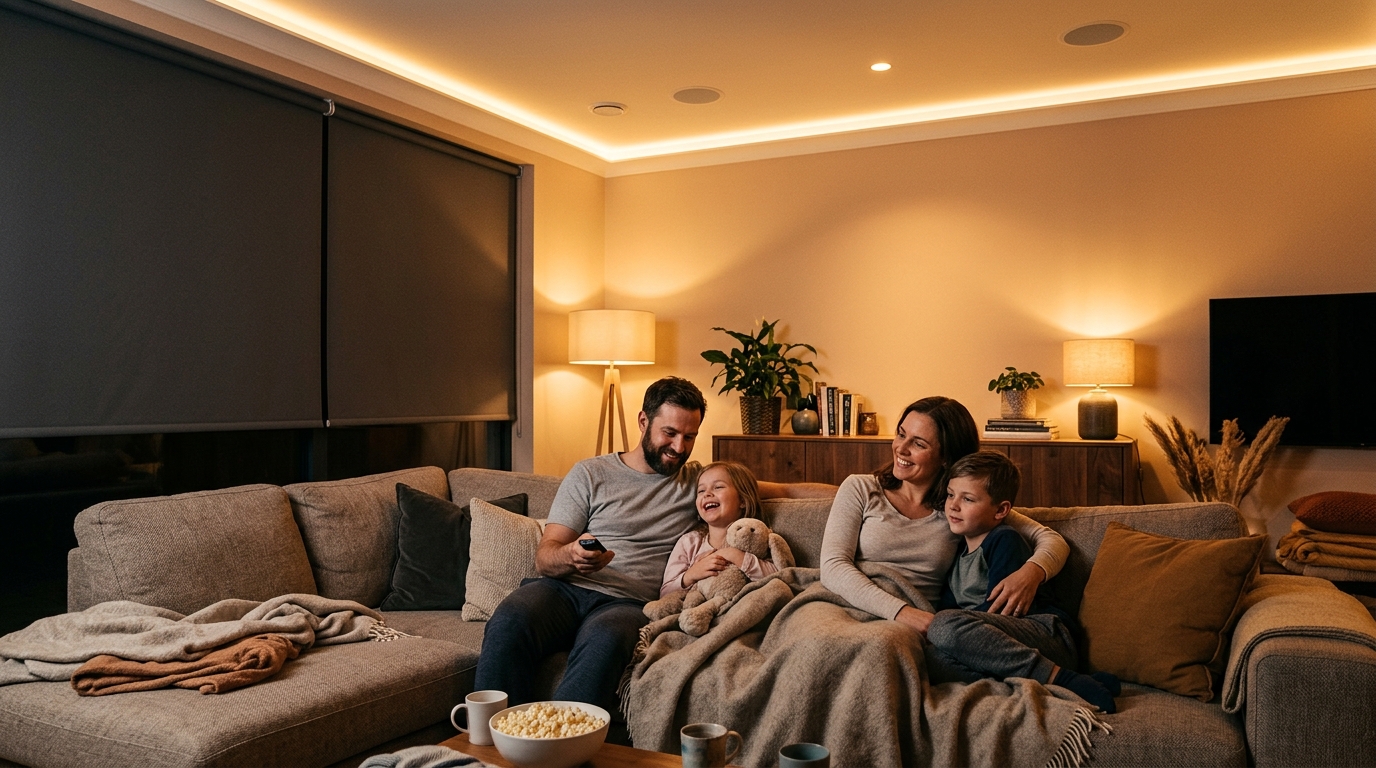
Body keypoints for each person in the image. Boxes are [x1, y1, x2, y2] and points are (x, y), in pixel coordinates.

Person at [474, 377, 832, 739]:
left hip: (628, 603)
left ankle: (556, 749)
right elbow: (545, 557)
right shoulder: (590, 473)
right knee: (511, 619)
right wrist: (573, 556)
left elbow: (783, 489)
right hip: (562, 589)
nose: (679, 447)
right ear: (643, 421)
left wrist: (857, 490)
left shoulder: (697, 481)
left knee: (606, 641)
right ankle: (485, 747)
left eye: (689, 437)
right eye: (670, 433)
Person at [819, 396, 1069, 636]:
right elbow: (833, 566)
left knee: (877, 647)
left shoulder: (957, 507)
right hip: (844, 604)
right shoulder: (860, 488)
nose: (900, 448)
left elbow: (1053, 541)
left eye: (918, 443)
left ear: (946, 458)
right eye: (901, 434)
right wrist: (903, 613)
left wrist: (1031, 574)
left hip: (907, 625)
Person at [924, 451, 1118, 712]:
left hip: (1043, 634)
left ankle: (1062, 678)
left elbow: (1003, 610)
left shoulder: (1004, 540)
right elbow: (950, 610)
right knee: (930, 658)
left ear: (1001, 510)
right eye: (950, 494)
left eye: (967, 499)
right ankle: (1051, 685)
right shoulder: (955, 552)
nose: (953, 505)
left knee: (944, 626)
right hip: (995, 647)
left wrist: (948, 629)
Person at [660, 461, 778, 597]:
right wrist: (691, 574)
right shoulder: (689, 542)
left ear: (743, 500)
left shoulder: (756, 537)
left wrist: (735, 555)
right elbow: (665, 594)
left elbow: (779, 578)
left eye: (718, 487)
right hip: (698, 612)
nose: (707, 494)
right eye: (701, 490)